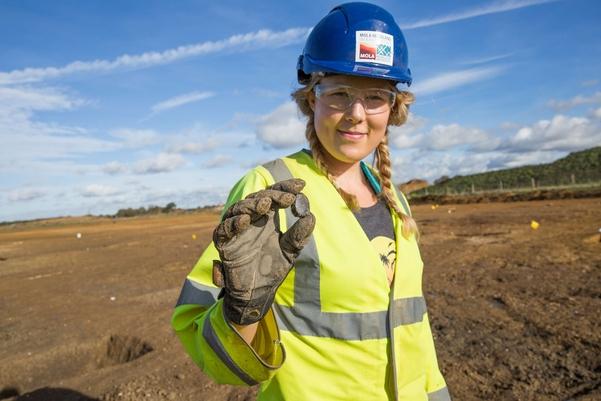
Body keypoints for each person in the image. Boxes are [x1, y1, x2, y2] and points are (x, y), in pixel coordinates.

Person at [171, 2, 451, 400]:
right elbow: (207, 346)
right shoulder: (271, 188)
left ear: (393, 108)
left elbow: (414, 334)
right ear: (311, 99)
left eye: (375, 97)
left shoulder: (395, 201)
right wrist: (242, 311)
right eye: (339, 93)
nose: (357, 114)